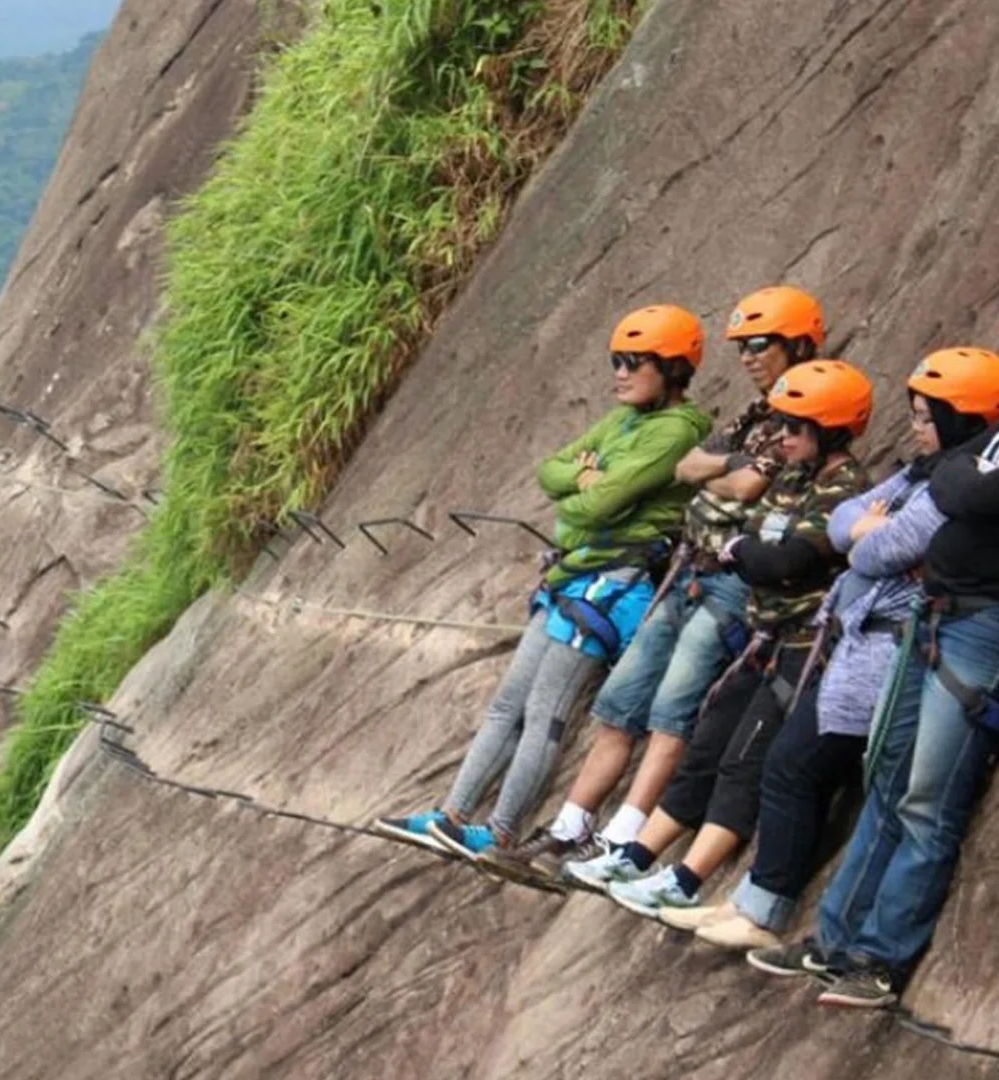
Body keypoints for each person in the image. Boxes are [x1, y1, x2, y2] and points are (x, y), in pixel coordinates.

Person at [747, 269, 999, 1009]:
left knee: (928, 794)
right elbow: (954, 474)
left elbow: (962, 489)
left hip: (992, 626)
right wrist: (958, 485)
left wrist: (958, 487)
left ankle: (879, 958)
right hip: (938, 614)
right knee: (886, 781)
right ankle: (834, 942)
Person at [672, 348, 999, 950]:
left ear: (960, 419)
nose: (914, 426)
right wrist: (862, 530)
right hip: (856, 642)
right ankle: (758, 901)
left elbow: (873, 548)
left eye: (924, 415)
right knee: (788, 766)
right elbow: (847, 526)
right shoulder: (919, 471)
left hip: (883, 648)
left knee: (795, 766)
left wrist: (864, 533)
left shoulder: (957, 481)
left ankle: (767, 911)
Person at [479, 287, 827, 887]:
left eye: (759, 344)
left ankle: (621, 841)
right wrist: (727, 465)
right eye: (741, 346)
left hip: (729, 582)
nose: (746, 356)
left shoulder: (812, 413)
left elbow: (742, 486)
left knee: (671, 712)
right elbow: (691, 468)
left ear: (798, 343)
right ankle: (570, 826)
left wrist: (724, 470)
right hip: (687, 568)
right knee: (621, 702)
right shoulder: (751, 415)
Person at [372, 305, 715, 858]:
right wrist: (585, 478)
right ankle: (453, 814)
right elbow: (551, 469)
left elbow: (604, 504)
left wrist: (587, 488)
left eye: (633, 362)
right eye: (615, 361)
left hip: (610, 585)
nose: (620, 373)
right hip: (575, 575)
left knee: (545, 710)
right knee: (509, 702)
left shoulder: (676, 431)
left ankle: (502, 830)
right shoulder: (623, 420)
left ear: (672, 369)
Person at [571, 361, 876, 913]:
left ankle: (686, 879)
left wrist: (742, 553)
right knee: (708, 743)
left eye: (796, 428)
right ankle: (635, 855)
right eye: (782, 425)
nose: (783, 437)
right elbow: (752, 528)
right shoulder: (793, 475)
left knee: (747, 758)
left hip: (803, 642)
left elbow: (785, 559)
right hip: (763, 632)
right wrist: (749, 551)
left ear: (829, 430)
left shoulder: (846, 488)